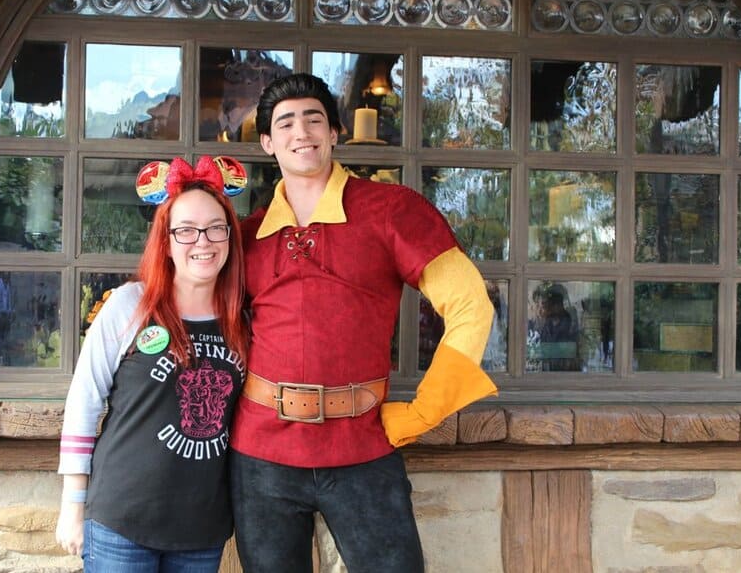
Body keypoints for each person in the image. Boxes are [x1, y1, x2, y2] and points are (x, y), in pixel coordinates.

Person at [228, 73, 497, 572]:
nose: (300, 130)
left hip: (363, 447)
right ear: (267, 142)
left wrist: (423, 412)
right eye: (285, 122)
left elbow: (471, 305)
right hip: (260, 454)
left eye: (314, 118)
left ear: (334, 133)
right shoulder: (246, 236)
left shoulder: (393, 210)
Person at [55, 155, 249, 572]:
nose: (203, 241)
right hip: (121, 522)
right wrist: (73, 504)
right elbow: (84, 402)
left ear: (231, 238)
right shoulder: (130, 306)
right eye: (187, 230)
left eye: (216, 228)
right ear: (166, 240)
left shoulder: (244, 319)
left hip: (201, 527)